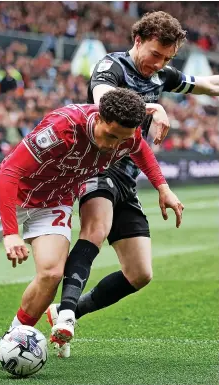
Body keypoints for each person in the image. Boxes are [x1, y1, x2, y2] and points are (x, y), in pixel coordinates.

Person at [48, 10, 219, 356]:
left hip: (129, 175)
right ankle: (66, 311)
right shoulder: (110, 68)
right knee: (96, 229)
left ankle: (68, 311)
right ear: (138, 41)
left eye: (167, 59)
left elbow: (208, 85)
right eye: (155, 54)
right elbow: (104, 105)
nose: (159, 64)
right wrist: (154, 110)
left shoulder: (161, 75)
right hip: (98, 161)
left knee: (140, 273)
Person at [0, 88, 180, 333]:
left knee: (52, 273)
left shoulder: (126, 133)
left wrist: (163, 187)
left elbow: (139, 149)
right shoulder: (62, 127)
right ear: (98, 117)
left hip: (56, 200)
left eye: (121, 139)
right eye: (110, 136)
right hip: (13, 195)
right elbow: (10, 173)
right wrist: (11, 233)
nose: (114, 145)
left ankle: (15, 338)